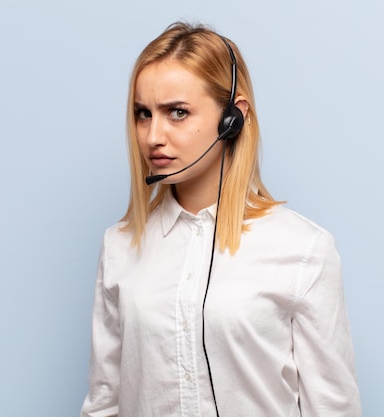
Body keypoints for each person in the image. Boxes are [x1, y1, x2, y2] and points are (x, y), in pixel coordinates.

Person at [81, 22, 361, 417]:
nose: (152, 136)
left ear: (233, 118)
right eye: (143, 114)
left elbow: (334, 409)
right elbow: (104, 403)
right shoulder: (119, 246)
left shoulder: (303, 250)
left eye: (177, 112)